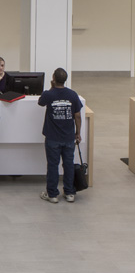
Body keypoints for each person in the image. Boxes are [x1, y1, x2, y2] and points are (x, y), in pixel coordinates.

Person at [38, 67, 82, 203]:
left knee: (52, 165)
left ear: (53, 79)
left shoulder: (49, 94)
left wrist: (51, 88)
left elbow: (40, 102)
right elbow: (77, 115)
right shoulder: (73, 95)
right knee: (68, 165)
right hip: (68, 137)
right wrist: (78, 133)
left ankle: (52, 194)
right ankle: (69, 193)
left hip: (52, 137)